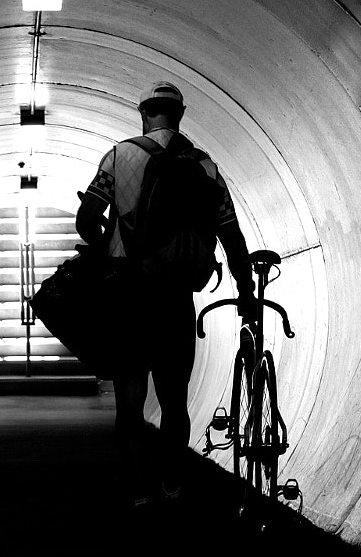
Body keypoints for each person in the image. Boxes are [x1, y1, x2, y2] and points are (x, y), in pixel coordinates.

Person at [75, 80, 255, 509]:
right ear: (181, 114)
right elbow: (231, 235)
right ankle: (172, 484)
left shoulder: (119, 155)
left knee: (131, 402)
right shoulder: (207, 167)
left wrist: (104, 246)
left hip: (129, 296)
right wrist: (245, 290)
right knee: (174, 402)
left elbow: (87, 217)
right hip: (175, 298)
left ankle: (138, 491)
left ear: (143, 112)